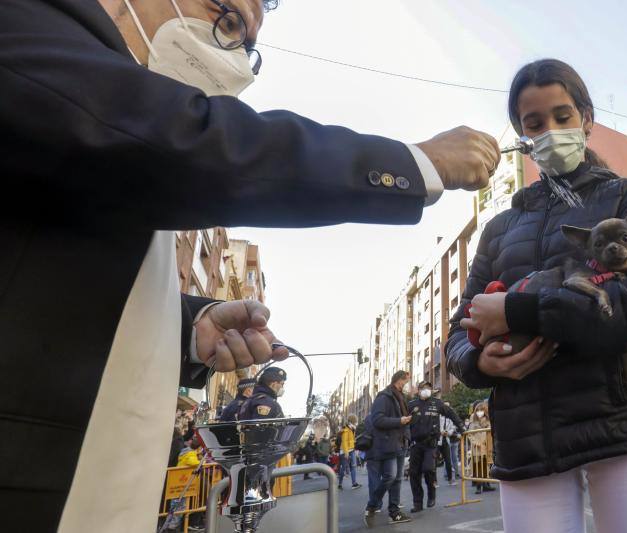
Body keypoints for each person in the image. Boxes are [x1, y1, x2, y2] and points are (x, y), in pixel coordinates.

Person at [2, 1, 502, 530]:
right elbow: (185, 144)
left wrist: (188, 325)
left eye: (246, 43)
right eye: (227, 18)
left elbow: (58, 278)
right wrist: (413, 161)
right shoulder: (25, 23)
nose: (233, 54)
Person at [447, 59, 627, 533]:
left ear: (586, 120)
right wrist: (480, 363)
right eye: (534, 123)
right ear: (522, 134)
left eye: (562, 116)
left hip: (624, 426)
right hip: (528, 439)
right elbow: (459, 331)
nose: (550, 131)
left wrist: (521, 311)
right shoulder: (499, 228)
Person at [364, 371, 413, 526]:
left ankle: (394, 513)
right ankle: (371, 506)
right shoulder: (384, 396)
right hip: (389, 443)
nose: (406, 385)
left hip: (400, 442)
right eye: (405, 382)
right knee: (390, 477)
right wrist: (399, 421)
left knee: (397, 479)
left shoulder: (400, 397)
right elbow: (377, 420)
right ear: (399, 380)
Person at [407, 381, 464, 512]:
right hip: (415, 444)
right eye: (423, 388)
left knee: (429, 470)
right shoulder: (411, 405)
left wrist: (461, 427)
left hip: (431, 444)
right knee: (414, 474)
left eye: (428, 388)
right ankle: (417, 503)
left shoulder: (437, 403)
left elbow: (451, 414)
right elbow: (403, 420)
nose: (426, 390)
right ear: (418, 390)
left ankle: (431, 495)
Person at [466, 401, 494, 495]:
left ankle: (486, 484)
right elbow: (469, 434)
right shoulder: (473, 422)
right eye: (477, 410)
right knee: (478, 466)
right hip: (477, 447)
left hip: (486, 447)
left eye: (481, 410)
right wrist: (475, 443)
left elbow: (490, 433)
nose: (479, 412)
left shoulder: (488, 421)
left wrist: (487, 442)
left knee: (486, 466)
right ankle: (478, 486)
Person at [337, 415, 362, 490]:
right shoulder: (346, 429)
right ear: (353, 421)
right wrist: (346, 453)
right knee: (343, 468)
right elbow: (344, 442)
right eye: (356, 421)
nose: (357, 423)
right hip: (345, 451)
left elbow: (351, 440)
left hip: (351, 450)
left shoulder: (352, 429)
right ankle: (340, 484)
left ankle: (354, 484)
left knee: (353, 467)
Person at [439, 402, 458, 484]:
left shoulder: (450, 418)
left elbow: (453, 428)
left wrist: (448, 433)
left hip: (446, 440)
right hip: (437, 440)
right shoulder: (438, 416)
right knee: (433, 461)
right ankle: (434, 481)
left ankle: (450, 479)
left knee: (448, 460)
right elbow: (434, 425)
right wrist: (441, 432)